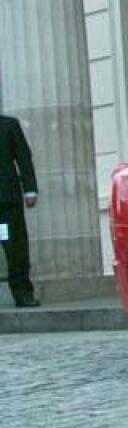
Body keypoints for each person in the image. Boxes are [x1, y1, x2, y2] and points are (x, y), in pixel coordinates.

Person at [0, 112, 39, 307]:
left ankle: (22, 293)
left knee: (16, 249)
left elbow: (23, 157)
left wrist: (30, 189)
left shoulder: (8, 125)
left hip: (6, 201)